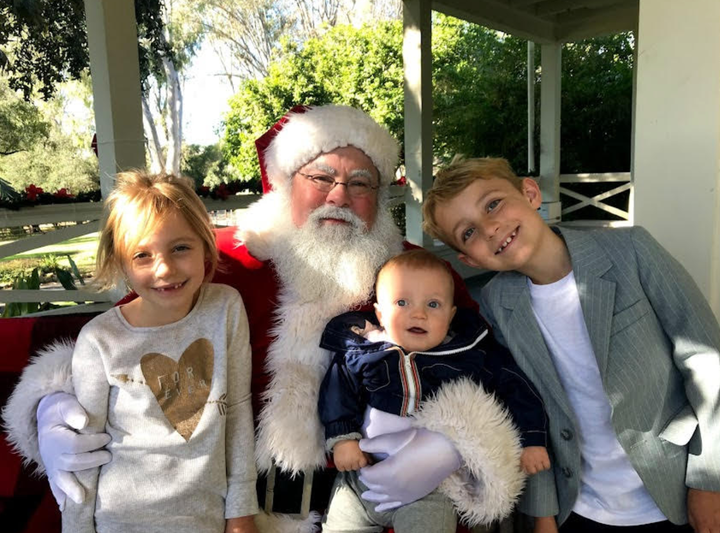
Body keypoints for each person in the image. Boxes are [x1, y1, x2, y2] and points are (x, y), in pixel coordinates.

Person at [3, 106, 521, 533]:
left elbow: (491, 372)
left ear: (380, 198)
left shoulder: (418, 276)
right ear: (284, 183)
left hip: (370, 508)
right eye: (320, 177)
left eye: (360, 183)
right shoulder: (218, 260)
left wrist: (452, 444)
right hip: (231, 516)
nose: (339, 195)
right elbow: (119, 338)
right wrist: (52, 407)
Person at [421, 156, 720, 533]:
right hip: (580, 506)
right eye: (469, 233)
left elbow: (708, 365)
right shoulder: (498, 304)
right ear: (468, 258)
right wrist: (543, 511)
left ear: (529, 193)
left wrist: (709, 480)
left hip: (677, 485)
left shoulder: (631, 250)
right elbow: (522, 408)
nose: (491, 228)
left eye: (493, 204)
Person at [62, 171, 258, 533]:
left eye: (180, 248)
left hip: (207, 518)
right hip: (121, 521)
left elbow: (239, 410)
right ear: (121, 263)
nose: (165, 269)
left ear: (205, 246)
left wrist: (242, 511)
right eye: (142, 255)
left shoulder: (226, 308)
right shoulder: (99, 339)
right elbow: (83, 451)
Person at [318, 249, 548, 532]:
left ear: (451, 315)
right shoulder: (365, 351)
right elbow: (337, 392)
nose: (418, 313)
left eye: (434, 304)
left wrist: (533, 439)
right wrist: (342, 440)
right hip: (360, 477)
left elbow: (516, 387)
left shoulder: (469, 353)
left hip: (430, 487)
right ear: (379, 312)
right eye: (402, 302)